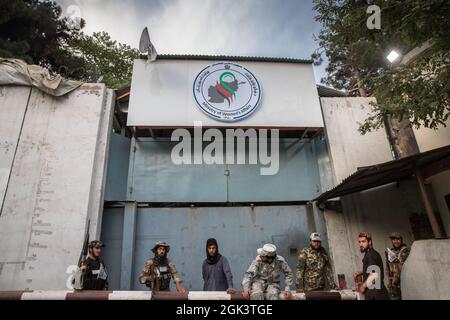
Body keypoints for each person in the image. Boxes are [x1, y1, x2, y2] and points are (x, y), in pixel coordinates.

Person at [354, 232, 389, 300]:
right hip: (377, 293)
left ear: (370, 242)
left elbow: (374, 276)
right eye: (359, 242)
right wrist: (361, 272)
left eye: (363, 241)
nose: (361, 244)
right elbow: (375, 269)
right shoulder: (371, 253)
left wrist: (363, 287)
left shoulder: (370, 255)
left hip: (376, 294)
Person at [385, 232, 410, 300]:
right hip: (394, 285)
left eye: (398, 239)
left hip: (404, 282)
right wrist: (390, 281)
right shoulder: (391, 251)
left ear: (401, 240)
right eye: (393, 239)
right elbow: (388, 268)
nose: (396, 241)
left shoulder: (405, 250)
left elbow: (406, 267)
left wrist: (396, 261)